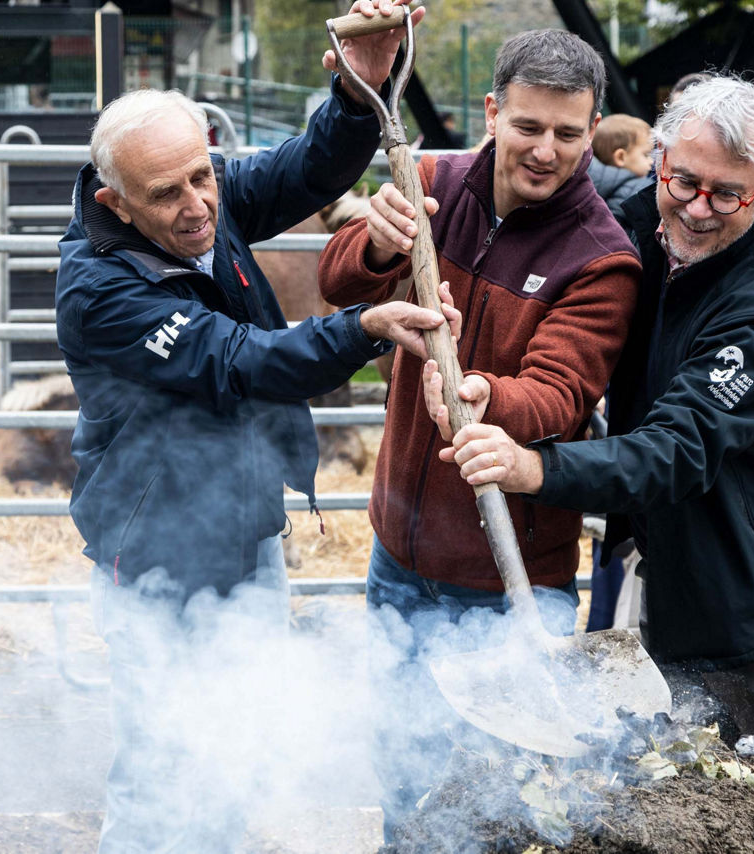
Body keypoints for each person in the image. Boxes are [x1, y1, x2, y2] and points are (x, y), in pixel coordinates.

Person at [425, 75, 754, 853]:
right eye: (685, 181)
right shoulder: (637, 220)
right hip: (675, 593)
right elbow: (537, 170)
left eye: (729, 195)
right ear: (658, 159)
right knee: (688, 811)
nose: (699, 207)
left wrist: (533, 468)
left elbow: (674, 449)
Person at [54, 1, 459, 850]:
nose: (200, 205)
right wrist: (360, 329)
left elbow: (309, 171)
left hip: (248, 534)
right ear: (114, 202)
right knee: (164, 765)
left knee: (236, 748)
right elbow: (235, 361)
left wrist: (363, 88)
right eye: (168, 193)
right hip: (156, 556)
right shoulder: (100, 292)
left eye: (204, 175)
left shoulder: (203, 198)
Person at [317, 28, 640, 842]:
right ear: (494, 111)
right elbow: (335, 279)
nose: (546, 151)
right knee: (402, 781)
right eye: (528, 127)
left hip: (505, 587)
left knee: (495, 806)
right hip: (398, 558)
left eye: (569, 134)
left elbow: (560, 394)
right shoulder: (427, 183)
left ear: (592, 126)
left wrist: (482, 393)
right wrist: (380, 240)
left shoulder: (601, 258)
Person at [588, 113, 652, 216]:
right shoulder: (632, 192)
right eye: (646, 155)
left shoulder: (594, 184)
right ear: (620, 157)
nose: (651, 161)